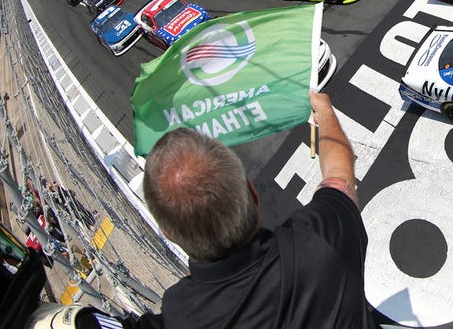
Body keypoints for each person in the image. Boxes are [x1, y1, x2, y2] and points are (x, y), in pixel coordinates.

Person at [142, 91, 379, 328]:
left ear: (168, 234)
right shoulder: (320, 238)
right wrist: (325, 113)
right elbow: (339, 179)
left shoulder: (178, 315)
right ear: (252, 193)